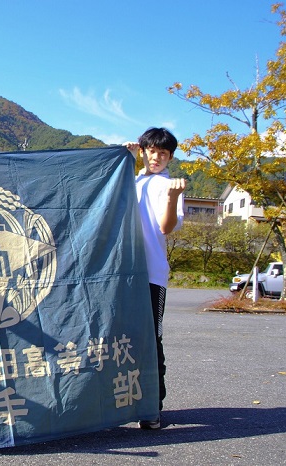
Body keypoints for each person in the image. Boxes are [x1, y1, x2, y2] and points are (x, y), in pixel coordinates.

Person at [123, 127, 185, 430]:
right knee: (122, 340)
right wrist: (123, 158)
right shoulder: (131, 181)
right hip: (122, 273)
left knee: (151, 340)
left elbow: (166, 227)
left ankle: (152, 407)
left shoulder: (168, 184)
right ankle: (122, 403)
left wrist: (173, 198)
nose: (156, 157)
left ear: (170, 156)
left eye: (163, 153)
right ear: (144, 151)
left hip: (151, 273)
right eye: (151, 151)